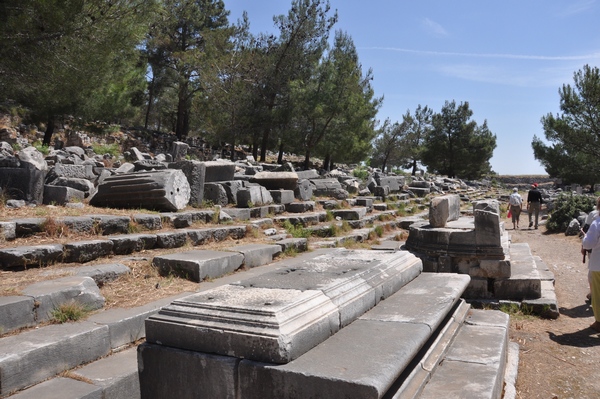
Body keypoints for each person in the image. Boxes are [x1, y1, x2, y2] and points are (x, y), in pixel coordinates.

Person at [581, 196, 600, 332]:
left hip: (598, 264)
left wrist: (584, 237)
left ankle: (599, 322)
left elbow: (589, 243)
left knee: (598, 294)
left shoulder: (597, 223)